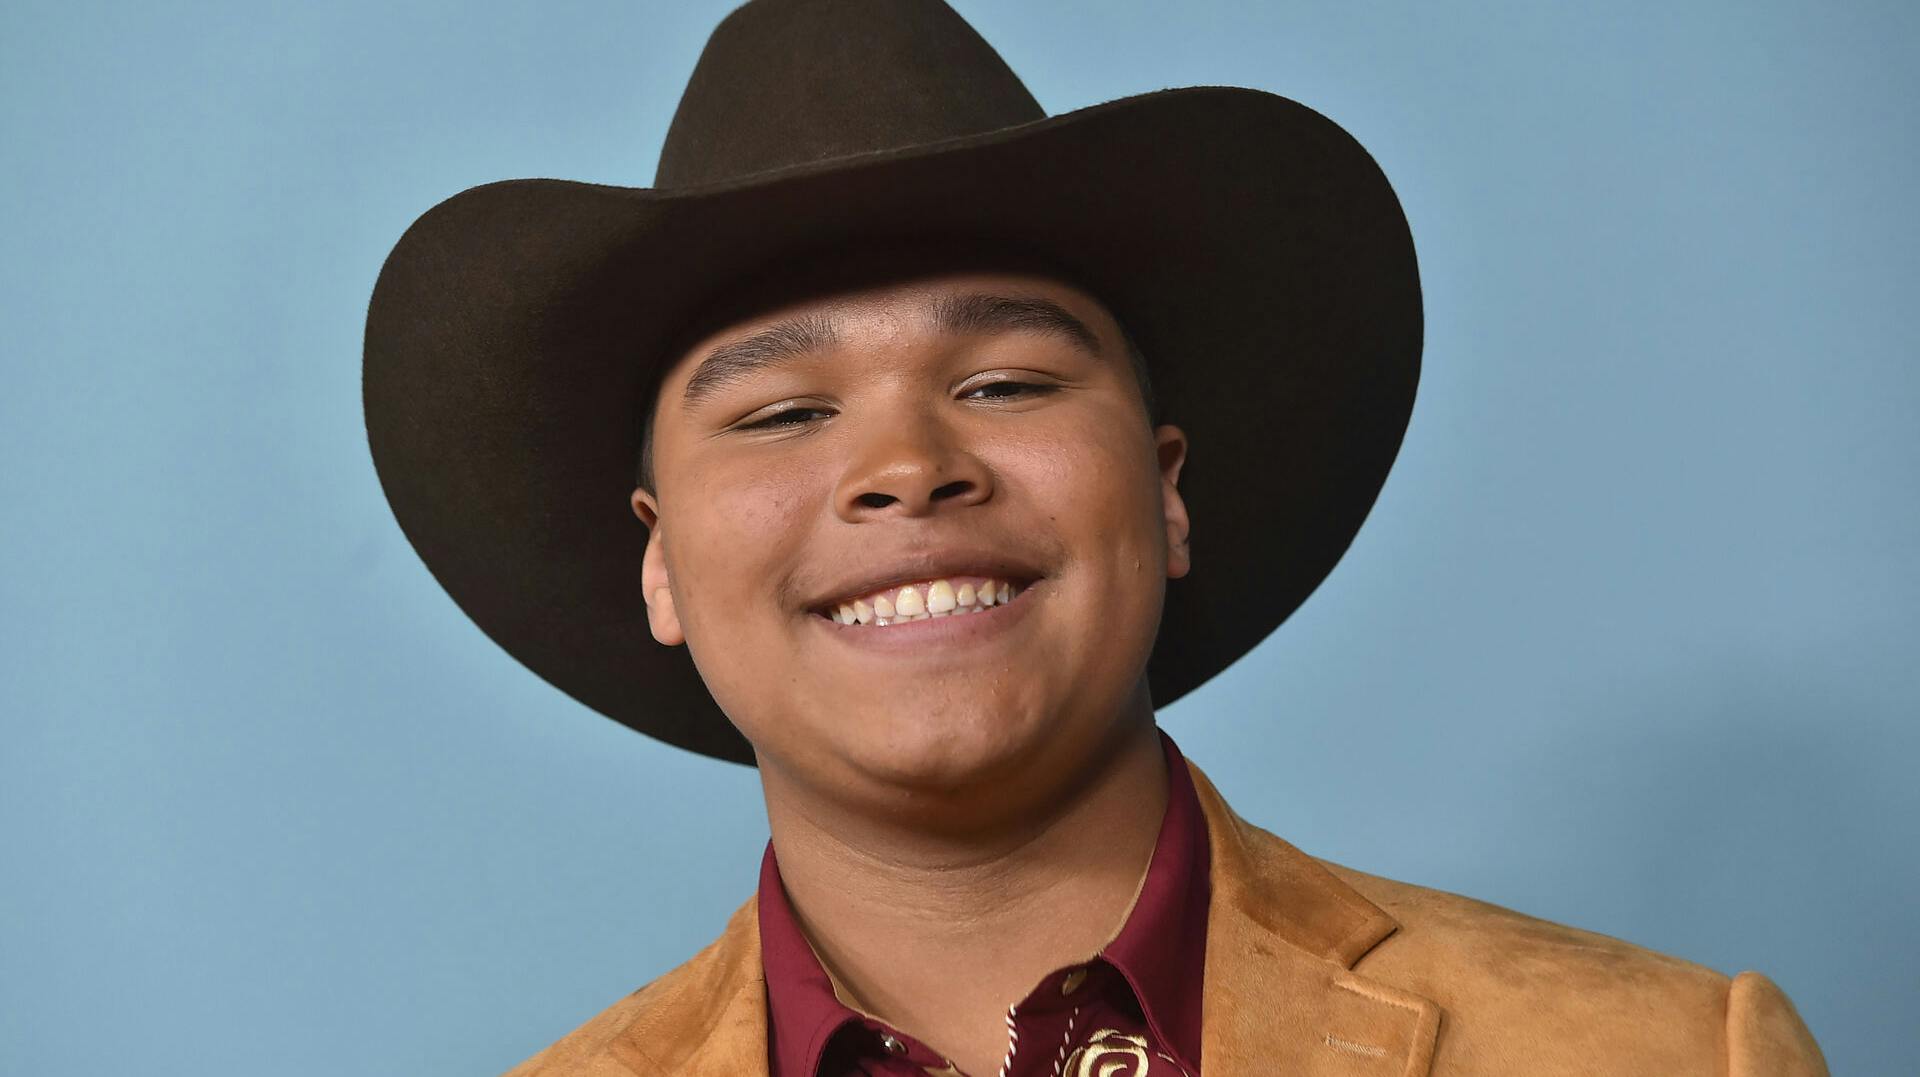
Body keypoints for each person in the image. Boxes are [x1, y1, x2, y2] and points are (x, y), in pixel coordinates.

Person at [363, 1, 1829, 1074]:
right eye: (778, 415)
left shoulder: (1671, 1052)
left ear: (1168, 490)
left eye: (1003, 383)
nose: (904, 467)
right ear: (661, 563)